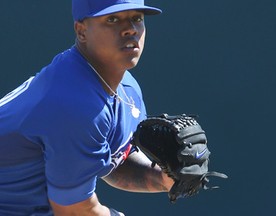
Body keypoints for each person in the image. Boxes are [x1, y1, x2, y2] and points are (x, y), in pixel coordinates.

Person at [0, 0, 174, 215]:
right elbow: (73, 210)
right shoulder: (74, 103)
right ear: (81, 31)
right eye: (112, 19)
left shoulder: (127, 87)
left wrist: (165, 179)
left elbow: (114, 160)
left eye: (136, 18)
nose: (130, 29)